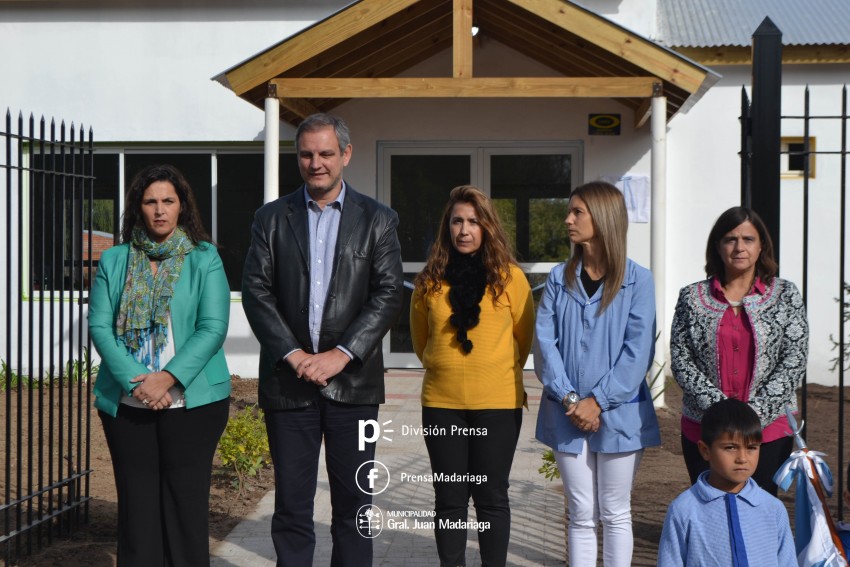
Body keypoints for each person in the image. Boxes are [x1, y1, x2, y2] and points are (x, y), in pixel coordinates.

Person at [241, 113, 404, 567]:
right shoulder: (270, 219)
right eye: (307, 154)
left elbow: (389, 293)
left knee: (354, 506)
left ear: (345, 154)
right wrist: (294, 355)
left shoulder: (379, 219)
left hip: (354, 386)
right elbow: (256, 292)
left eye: (326, 153)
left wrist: (341, 354)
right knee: (292, 508)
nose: (316, 163)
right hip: (288, 384)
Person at [89, 164, 232, 567]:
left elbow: (212, 327)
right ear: (138, 207)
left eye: (168, 200)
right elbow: (100, 326)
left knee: (186, 509)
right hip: (128, 402)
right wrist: (138, 382)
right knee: (137, 512)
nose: (159, 210)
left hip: (193, 403)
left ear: (182, 205)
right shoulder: (115, 260)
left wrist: (167, 379)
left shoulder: (204, 258)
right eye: (150, 201)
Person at [534, 181, 660, 567]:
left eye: (577, 212)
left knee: (615, 511)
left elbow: (638, 352)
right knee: (581, 512)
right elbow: (544, 345)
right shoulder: (559, 278)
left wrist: (599, 401)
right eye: (569, 211)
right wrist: (573, 400)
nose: (567, 219)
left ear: (603, 218)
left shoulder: (639, 281)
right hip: (566, 411)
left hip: (620, 413)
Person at [410, 185, 534, 567]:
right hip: (442, 405)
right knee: (449, 499)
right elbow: (420, 342)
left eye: (473, 222)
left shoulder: (511, 279)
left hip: (498, 405)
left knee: (491, 498)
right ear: (446, 227)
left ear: (488, 227)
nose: (464, 230)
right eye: (457, 221)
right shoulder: (429, 281)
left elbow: (524, 339)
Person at [670, 206, 809, 496]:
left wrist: (753, 414)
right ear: (717, 246)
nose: (739, 247)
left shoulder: (786, 295)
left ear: (761, 246)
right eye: (730, 239)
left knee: (759, 507)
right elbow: (682, 359)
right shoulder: (691, 297)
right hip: (705, 427)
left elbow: (794, 359)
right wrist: (722, 413)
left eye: (748, 239)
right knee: (709, 507)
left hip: (768, 429)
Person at [657, 398, 796, 566]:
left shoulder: (773, 509)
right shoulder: (684, 509)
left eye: (751, 448)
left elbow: (788, 562)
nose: (742, 458)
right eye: (730, 448)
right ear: (705, 450)